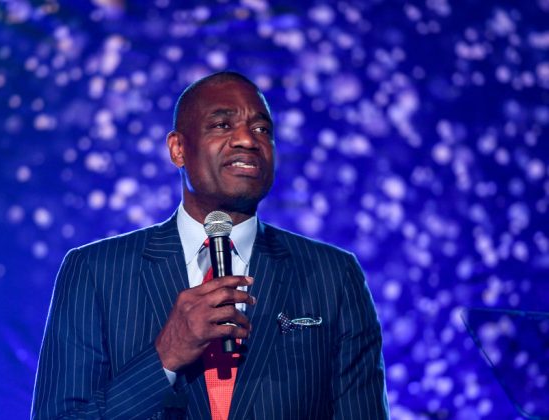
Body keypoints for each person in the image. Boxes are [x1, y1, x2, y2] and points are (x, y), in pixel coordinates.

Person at [31, 71, 389, 419]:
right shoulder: (96, 271)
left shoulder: (334, 275)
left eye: (262, 129)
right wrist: (165, 357)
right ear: (178, 149)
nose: (248, 140)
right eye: (222, 125)